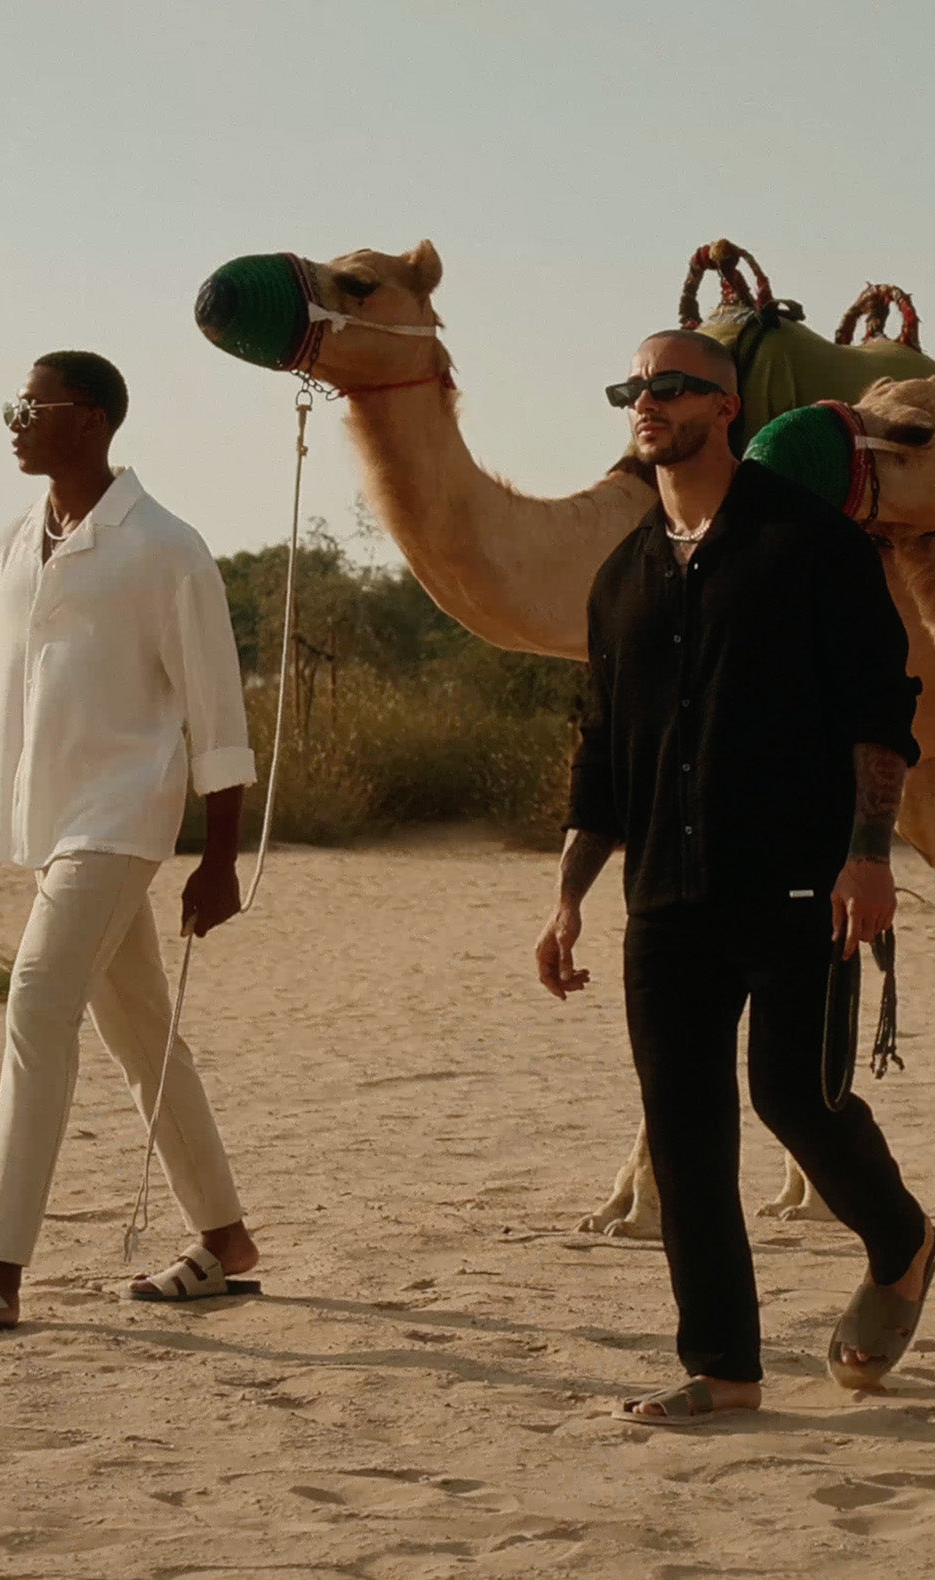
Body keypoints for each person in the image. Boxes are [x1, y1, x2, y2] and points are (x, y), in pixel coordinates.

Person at [535, 329, 935, 1423]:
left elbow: (879, 712)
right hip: (664, 897)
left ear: (725, 406)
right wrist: (568, 895)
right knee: (683, 1129)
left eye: (671, 386)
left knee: (795, 1098)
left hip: (803, 884)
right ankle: (723, 1368)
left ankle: (901, 1238)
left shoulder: (811, 544)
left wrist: (868, 855)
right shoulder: (622, 577)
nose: (646, 401)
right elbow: (601, 753)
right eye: (634, 387)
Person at [0, 351, 260, 1330]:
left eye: (30, 406)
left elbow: (217, 712)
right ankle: (224, 1239)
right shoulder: (9, 545)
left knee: (38, 1002)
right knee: (141, 1030)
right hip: (48, 819)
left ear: (91, 420)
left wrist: (218, 858)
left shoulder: (166, 547)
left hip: (123, 816)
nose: (15, 421)